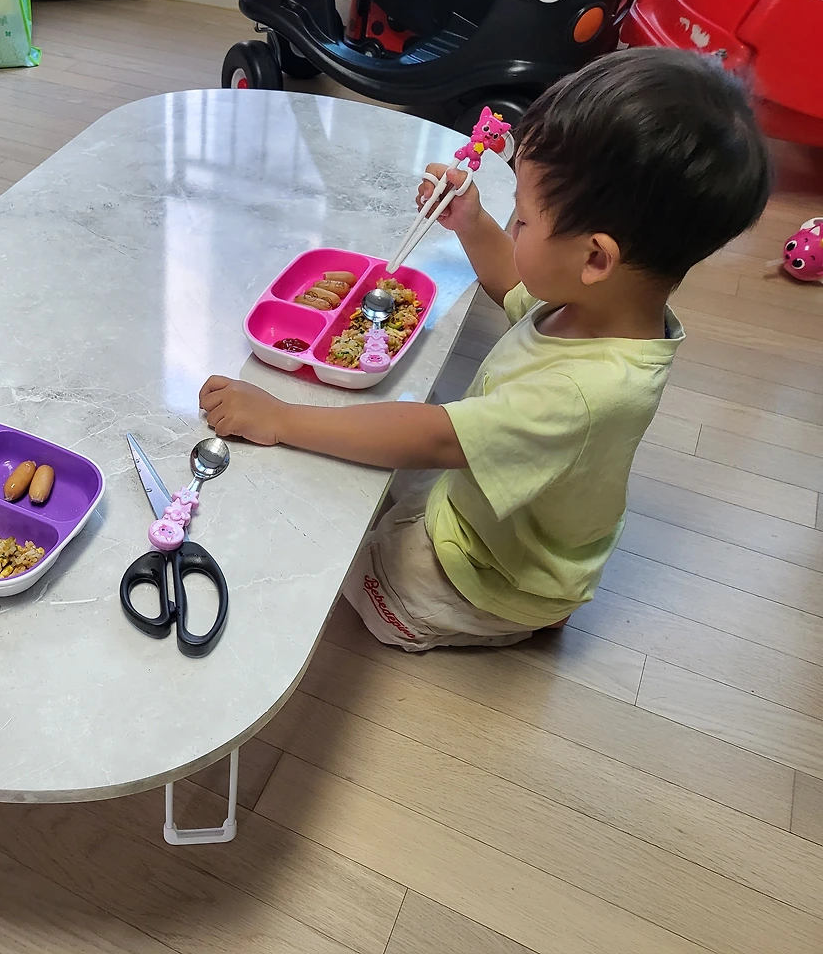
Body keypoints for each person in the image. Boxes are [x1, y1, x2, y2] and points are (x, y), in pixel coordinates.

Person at [199, 49, 770, 651]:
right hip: (507, 506)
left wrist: (282, 419)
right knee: (389, 478)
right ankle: (537, 593)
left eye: (522, 220)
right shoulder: (602, 307)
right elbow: (515, 287)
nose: (512, 226)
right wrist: (473, 223)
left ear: (595, 259)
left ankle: (519, 610)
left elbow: (436, 438)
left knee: (355, 567)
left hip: (497, 567)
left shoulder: (583, 391)